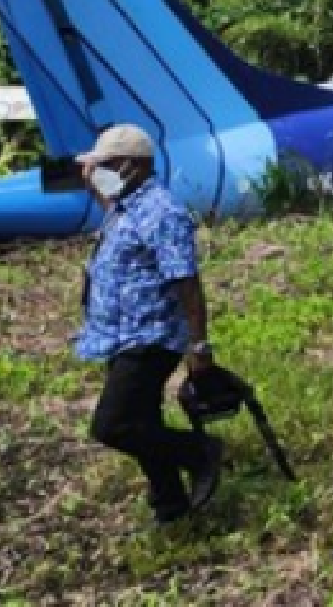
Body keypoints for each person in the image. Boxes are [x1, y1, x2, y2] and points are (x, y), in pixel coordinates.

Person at [74, 122, 225, 526]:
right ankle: (170, 507)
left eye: (105, 165)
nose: (97, 172)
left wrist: (199, 346)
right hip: (119, 335)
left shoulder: (163, 212)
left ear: (131, 165)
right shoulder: (125, 206)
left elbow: (187, 283)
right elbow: (118, 218)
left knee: (113, 425)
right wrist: (92, 184)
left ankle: (200, 453)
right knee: (143, 421)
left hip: (150, 336)